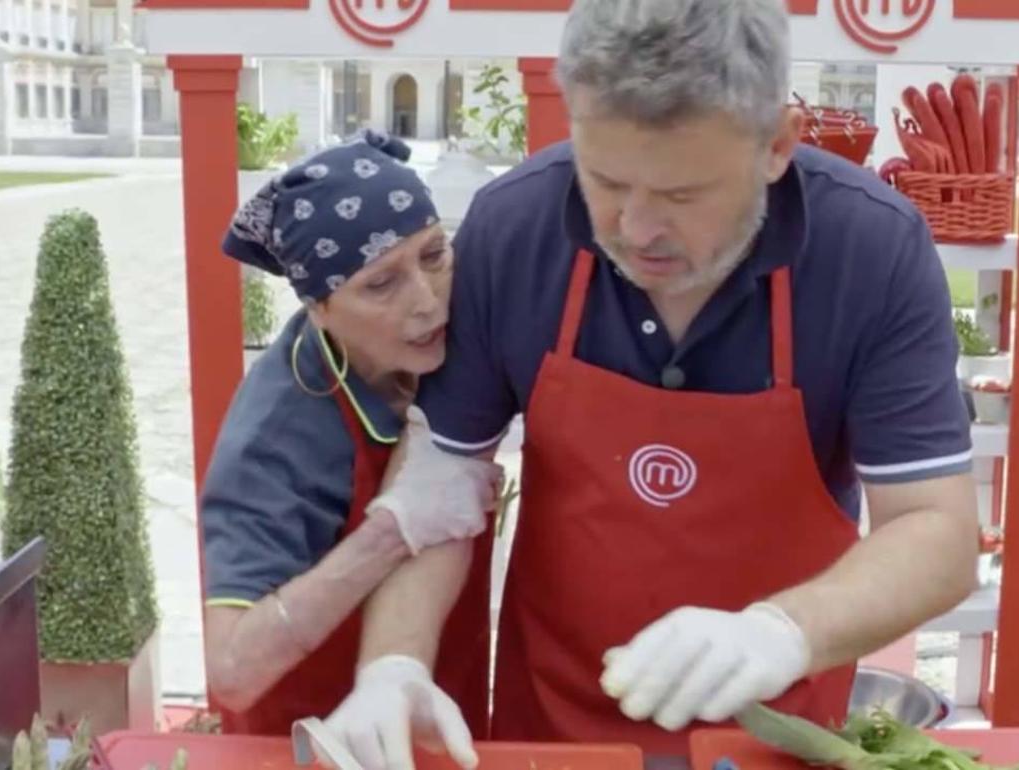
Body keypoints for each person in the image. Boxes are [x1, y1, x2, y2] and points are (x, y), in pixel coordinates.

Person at [323, 0, 982, 766]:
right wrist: (393, 663)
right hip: (555, 731)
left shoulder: (871, 251)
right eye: (605, 180)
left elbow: (936, 531)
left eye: (681, 196)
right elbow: (441, 476)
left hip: (777, 733)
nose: (635, 228)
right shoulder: (515, 228)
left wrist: (780, 631)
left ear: (776, 145)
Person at [197, 131, 499, 766]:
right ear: (320, 309)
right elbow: (232, 668)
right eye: (381, 284)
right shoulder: (275, 439)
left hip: (446, 717)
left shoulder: (453, 338)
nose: (426, 301)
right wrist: (392, 529)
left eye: (434, 254)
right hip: (313, 741)